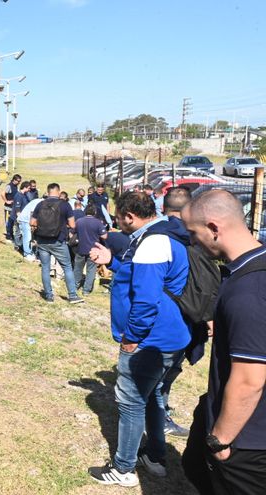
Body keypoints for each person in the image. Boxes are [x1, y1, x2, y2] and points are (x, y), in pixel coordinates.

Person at [87, 191, 191, 487]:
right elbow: (143, 276)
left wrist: (131, 338)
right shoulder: (162, 235)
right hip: (170, 335)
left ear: (129, 216)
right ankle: (155, 457)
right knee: (154, 396)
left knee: (131, 402)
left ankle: (123, 468)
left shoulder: (153, 244)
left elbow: (145, 300)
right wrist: (113, 262)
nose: (116, 224)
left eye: (118, 218)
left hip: (150, 339)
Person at [181, 189, 266, 494]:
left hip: (247, 442)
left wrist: (220, 440)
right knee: (194, 466)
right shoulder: (250, 267)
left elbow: (250, 380)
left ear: (214, 228)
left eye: (194, 233)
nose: (193, 242)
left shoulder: (249, 291)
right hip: (244, 428)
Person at [158, 186, 198, 438]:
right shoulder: (199, 236)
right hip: (191, 317)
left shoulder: (156, 235)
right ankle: (160, 413)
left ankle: (159, 412)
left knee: (159, 372)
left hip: (163, 318)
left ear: (164, 208)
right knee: (169, 370)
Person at [31, 183, 84, 304]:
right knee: (67, 267)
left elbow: (32, 222)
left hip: (42, 241)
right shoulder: (65, 205)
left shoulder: (40, 204)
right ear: (59, 192)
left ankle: (49, 296)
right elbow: (72, 225)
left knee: (45, 267)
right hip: (58, 241)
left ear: (48, 192)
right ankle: (72, 295)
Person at [72, 203, 107, 296]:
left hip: (80, 248)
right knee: (91, 270)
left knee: (78, 268)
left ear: (85, 211)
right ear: (95, 212)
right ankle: (86, 290)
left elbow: (71, 233)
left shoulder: (79, 221)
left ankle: (75, 286)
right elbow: (104, 236)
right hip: (93, 250)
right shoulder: (98, 222)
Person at [17, 194, 44, 262]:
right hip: (25, 220)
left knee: (30, 238)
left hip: (29, 220)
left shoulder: (41, 202)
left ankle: (30, 252)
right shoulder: (39, 202)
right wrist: (32, 225)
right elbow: (32, 213)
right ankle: (27, 254)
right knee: (27, 237)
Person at [12, 181, 32, 253]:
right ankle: (17, 245)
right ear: (25, 187)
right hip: (19, 217)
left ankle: (21, 244)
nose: (29, 190)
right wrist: (19, 218)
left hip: (24, 217)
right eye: (28, 188)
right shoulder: (19, 196)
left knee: (23, 232)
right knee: (18, 232)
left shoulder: (24, 195)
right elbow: (17, 208)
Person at [2, 174, 22, 242]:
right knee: (8, 222)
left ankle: (11, 235)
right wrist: (6, 201)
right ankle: (8, 236)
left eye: (20, 181)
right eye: (18, 181)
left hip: (13, 208)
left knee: (12, 222)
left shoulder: (16, 186)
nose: (19, 182)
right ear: (14, 180)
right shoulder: (9, 186)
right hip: (8, 208)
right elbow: (2, 194)